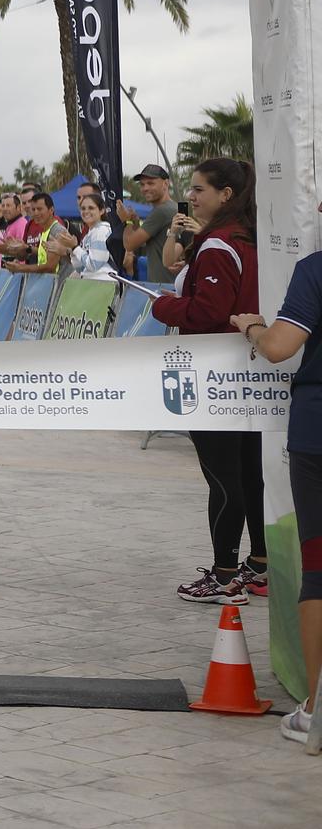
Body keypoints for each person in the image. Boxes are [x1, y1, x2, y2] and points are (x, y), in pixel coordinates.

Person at [151, 159, 266, 605]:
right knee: (250, 475)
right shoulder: (245, 238)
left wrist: (164, 307)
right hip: (249, 372)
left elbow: (207, 312)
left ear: (227, 195)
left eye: (200, 189)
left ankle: (224, 576)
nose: (192, 196)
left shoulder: (221, 244)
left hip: (216, 375)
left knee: (224, 479)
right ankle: (258, 565)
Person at [228, 208, 322, 750]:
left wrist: (252, 326)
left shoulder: (314, 270)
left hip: (317, 436)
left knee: (321, 570)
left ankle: (315, 707)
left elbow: (281, 347)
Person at [118, 164, 179, 282]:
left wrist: (127, 221)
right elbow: (145, 242)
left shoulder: (161, 211)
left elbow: (130, 245)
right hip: (173, 285)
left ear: (165, 184)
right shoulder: (174, 207)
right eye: (142, 184)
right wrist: (135, 222)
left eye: (151, 183)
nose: (145, 188)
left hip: (164, 287)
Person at [4, 192, 68, 276]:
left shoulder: (57, 231)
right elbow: (43, 254)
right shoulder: (45, 229)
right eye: (33, 209)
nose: (36, 213)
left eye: (40, 209)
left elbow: (50, 267)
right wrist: (25, 248)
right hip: (49, 283)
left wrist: (20, 268)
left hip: (59, 285)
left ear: (51, 210)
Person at [61, 193, 115, 280]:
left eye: (91, 208)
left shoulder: (101, 231)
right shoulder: (89, 234)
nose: (86, 211)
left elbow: (93, 265)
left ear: (102, 210)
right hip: (91, 284)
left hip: (103, 284)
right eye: (83, 208)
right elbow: (81, 269)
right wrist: (72, 251)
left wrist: (75, 247)